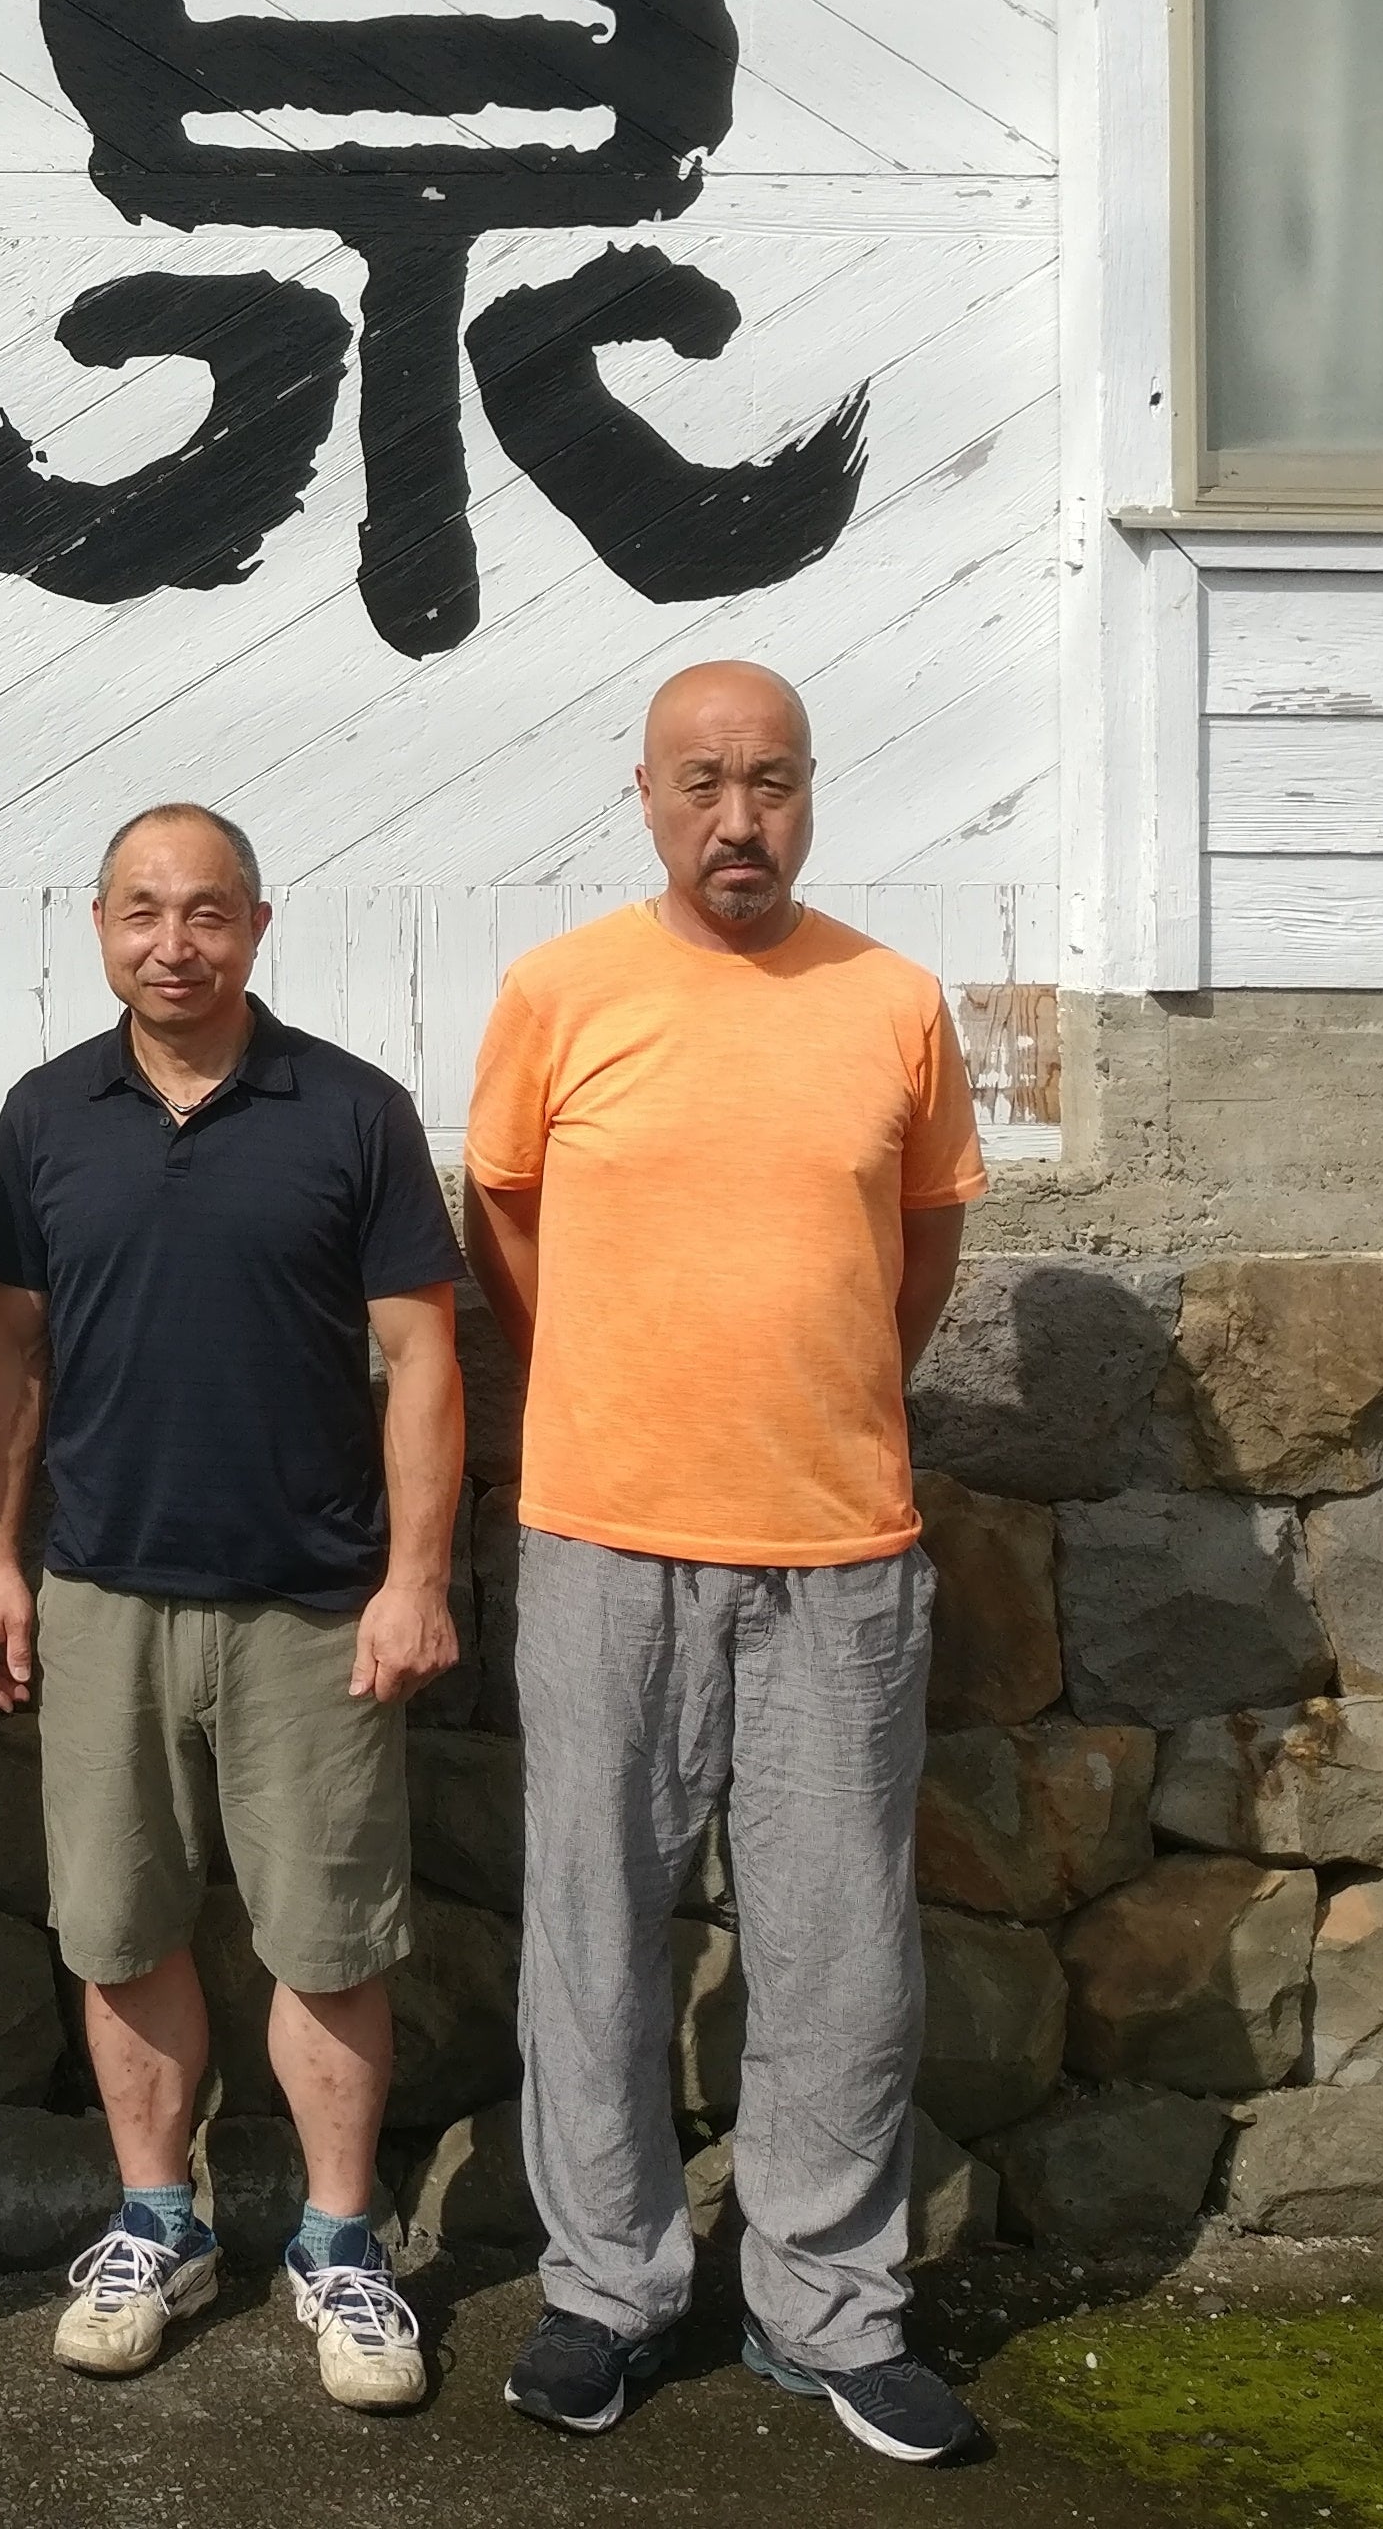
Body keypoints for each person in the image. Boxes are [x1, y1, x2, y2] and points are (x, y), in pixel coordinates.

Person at [466, 663, 986, 2466]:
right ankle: (606, 2291)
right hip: (606, 1538)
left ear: (812, 793)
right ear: (646, 796)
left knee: (842, 1952)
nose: (738, 819)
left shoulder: (894, 1003)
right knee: (595, 1932)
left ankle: (828, 2306)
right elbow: (506, 1221)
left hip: (838, 1550)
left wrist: (818, 1393)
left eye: (770, 782)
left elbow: (921, 1250)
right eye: (702, 783)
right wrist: (618, 1387)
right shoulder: (560, 994)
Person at [0, 801, 465, 2412]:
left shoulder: (355, 1110)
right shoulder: (49, 1114)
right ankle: (156, 2225)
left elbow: (421, 1356)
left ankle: (341, 2245)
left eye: (205, 913)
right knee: (120, 1927)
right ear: (98, 926)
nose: (172, 944)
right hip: (104, 1591)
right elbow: (9, 1353)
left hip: (313, 1605)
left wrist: (415, 1579)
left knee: (329, 1936)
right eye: (142, 912)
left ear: (256, 924)